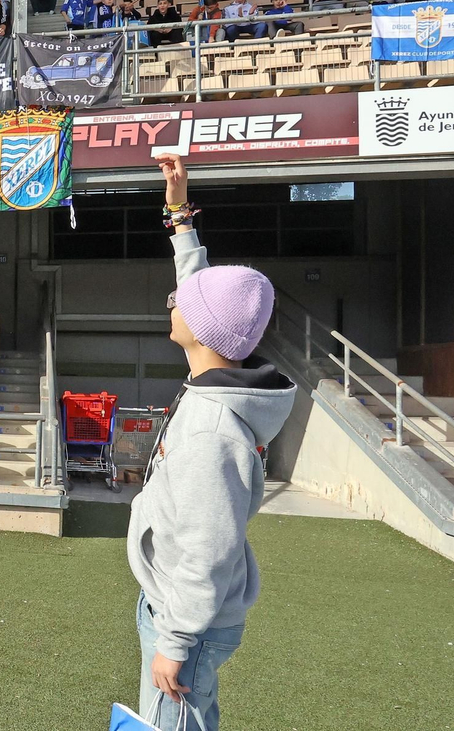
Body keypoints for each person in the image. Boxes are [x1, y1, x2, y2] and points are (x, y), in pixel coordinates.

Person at [131, 154, 293, 731]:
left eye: (184, 302)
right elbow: (197, 291)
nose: (173, 299)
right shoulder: (218, 371)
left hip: (187, 622)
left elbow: (208, 549)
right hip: (180, 609)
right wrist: (179, 216)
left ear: (202, 331)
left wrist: (174, 639)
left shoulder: (209, 431)